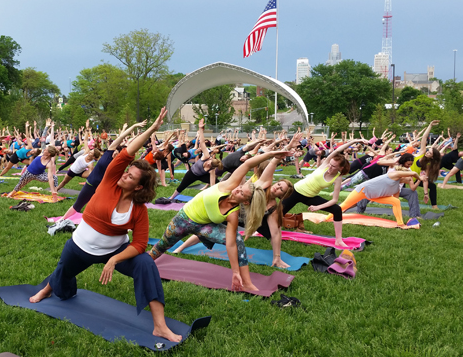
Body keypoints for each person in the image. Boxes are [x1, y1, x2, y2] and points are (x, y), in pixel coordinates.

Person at [29, 108, 182, 343]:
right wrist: (152, 129)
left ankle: (160, 326)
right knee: (63, 282)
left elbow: (140, 243)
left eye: (130, 177)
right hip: (80, 247)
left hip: (114, 251)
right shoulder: (111, 180)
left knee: (145, 264)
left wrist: (114, 260)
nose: (125, 176)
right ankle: (49, 287)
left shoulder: (138, 210)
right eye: (127, 172)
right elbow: (128, 152)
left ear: (139, 187)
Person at [149, 148, 284, 292]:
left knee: (238, 240)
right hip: (183, 219)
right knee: (161, 246)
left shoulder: (233, 213)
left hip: (204, 227)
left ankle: (247, 282)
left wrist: (235, 272)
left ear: (245, 202)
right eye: (240, 188)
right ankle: (144, 262)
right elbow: (247, 165)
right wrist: (271, 155)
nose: (237, 190)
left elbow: (231, 244)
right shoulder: (228, 185)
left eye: (241, 193)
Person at [281, 138, 368, 248]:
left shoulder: (338, 178)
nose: (329, 167)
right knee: (277, 214)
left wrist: (318, 207)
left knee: (337, 209)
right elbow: (337, 151)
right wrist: (355, 141)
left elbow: (334, 200)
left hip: (310, 197)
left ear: (340, 168)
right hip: (296, 191)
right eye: (330, 164)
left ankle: (338, 240)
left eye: (333, 166)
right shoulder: (326, 164)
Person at [54, 121, 146, 222]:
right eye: (116, 151)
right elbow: (120, 137)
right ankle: (61, 220)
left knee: (111, 207)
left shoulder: (120, 164)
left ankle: (122, 223)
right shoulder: (109, 152)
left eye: (118, 154)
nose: (115, 153)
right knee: (78, 205)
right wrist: (133, 126)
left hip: (105, 188)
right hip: (91, 184)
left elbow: (132, 147)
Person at [337, 160, 422, 226]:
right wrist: (420, 178)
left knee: (396, 201)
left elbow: (395, 201)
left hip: (377, 194)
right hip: (365, 190)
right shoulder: (394, 174)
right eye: (409, 178)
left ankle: (401, 223)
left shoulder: (397, 187)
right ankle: (330, 216)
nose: (410, 180)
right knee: (346, 204)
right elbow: (414, 173)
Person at [162, 119, 221, 201]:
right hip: (192, 173)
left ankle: (220, 197)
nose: (208, 165)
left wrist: (213, 193)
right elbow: (202, 143)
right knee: (182, 186)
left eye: (209, 166)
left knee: (217, 183)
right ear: (210, 160)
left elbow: (212, 183)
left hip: (202, 175)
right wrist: (200, 129)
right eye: (209, 163)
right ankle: (171, 198)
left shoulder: (212, 170)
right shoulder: (206, 156)